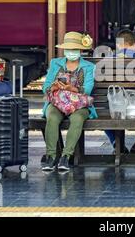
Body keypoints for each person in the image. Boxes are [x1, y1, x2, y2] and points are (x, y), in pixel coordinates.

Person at [41, 31, 97, 172]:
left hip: (78, 104)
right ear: (64, 49)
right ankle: (51, 156)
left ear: (80, 50)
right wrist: (53, 86)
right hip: (57, 103)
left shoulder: (89, 67)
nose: (71, 52)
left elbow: (88, 89)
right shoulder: (55, 63)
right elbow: (45, 87)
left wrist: (72, 88)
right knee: (52, 118)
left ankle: (66, 156)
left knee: (78, 119)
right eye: (69, 49)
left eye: (74, 49)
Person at [104, 29, 135, 154]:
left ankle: (116, 143)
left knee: (100, 110)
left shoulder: (106, 61)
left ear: (118, 44)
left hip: (114, 108)